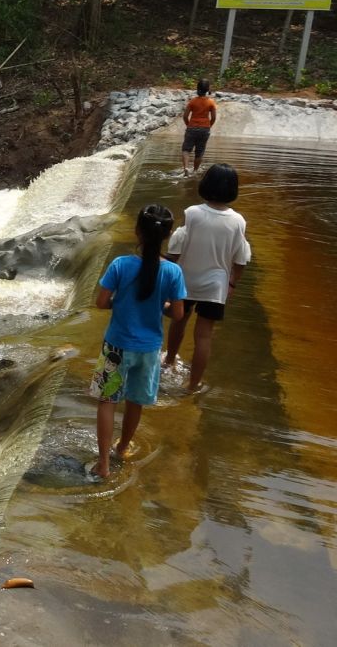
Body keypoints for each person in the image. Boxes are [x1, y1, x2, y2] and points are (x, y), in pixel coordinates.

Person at [90, 204, 187, 480]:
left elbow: (101, 302)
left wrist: (119, 303)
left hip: (116, 346)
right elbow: (178, 314)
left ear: (137, 232)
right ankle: (121, 449)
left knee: (107, 401)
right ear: (167, 236)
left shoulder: (120, 264)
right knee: (135, 401)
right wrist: (163, 305)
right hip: (149, 349)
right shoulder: (172, 272)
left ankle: (103, 464)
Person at [162, 164, 251, 392]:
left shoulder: (192, 213)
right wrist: (232, 283)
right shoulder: (238, 221)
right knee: (203, 337)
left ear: (206, 184)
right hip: (215, 286)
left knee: (178, 322)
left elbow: (176, 248)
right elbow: (241, 258)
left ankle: (169, 361)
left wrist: (165, 266)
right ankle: (194, 384)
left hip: (185, 280)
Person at [181, 79, 217, 177]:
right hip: (205, 128)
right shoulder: (211, 102)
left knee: (186, 150)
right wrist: (208, 126)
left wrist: (189, 125)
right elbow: (213, 118)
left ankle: (186, 169)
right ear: (207, 89)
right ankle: (195, 171)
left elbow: (185, 116)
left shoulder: (192, 101)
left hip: (192, 127)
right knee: (200, 152)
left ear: (198, 88)